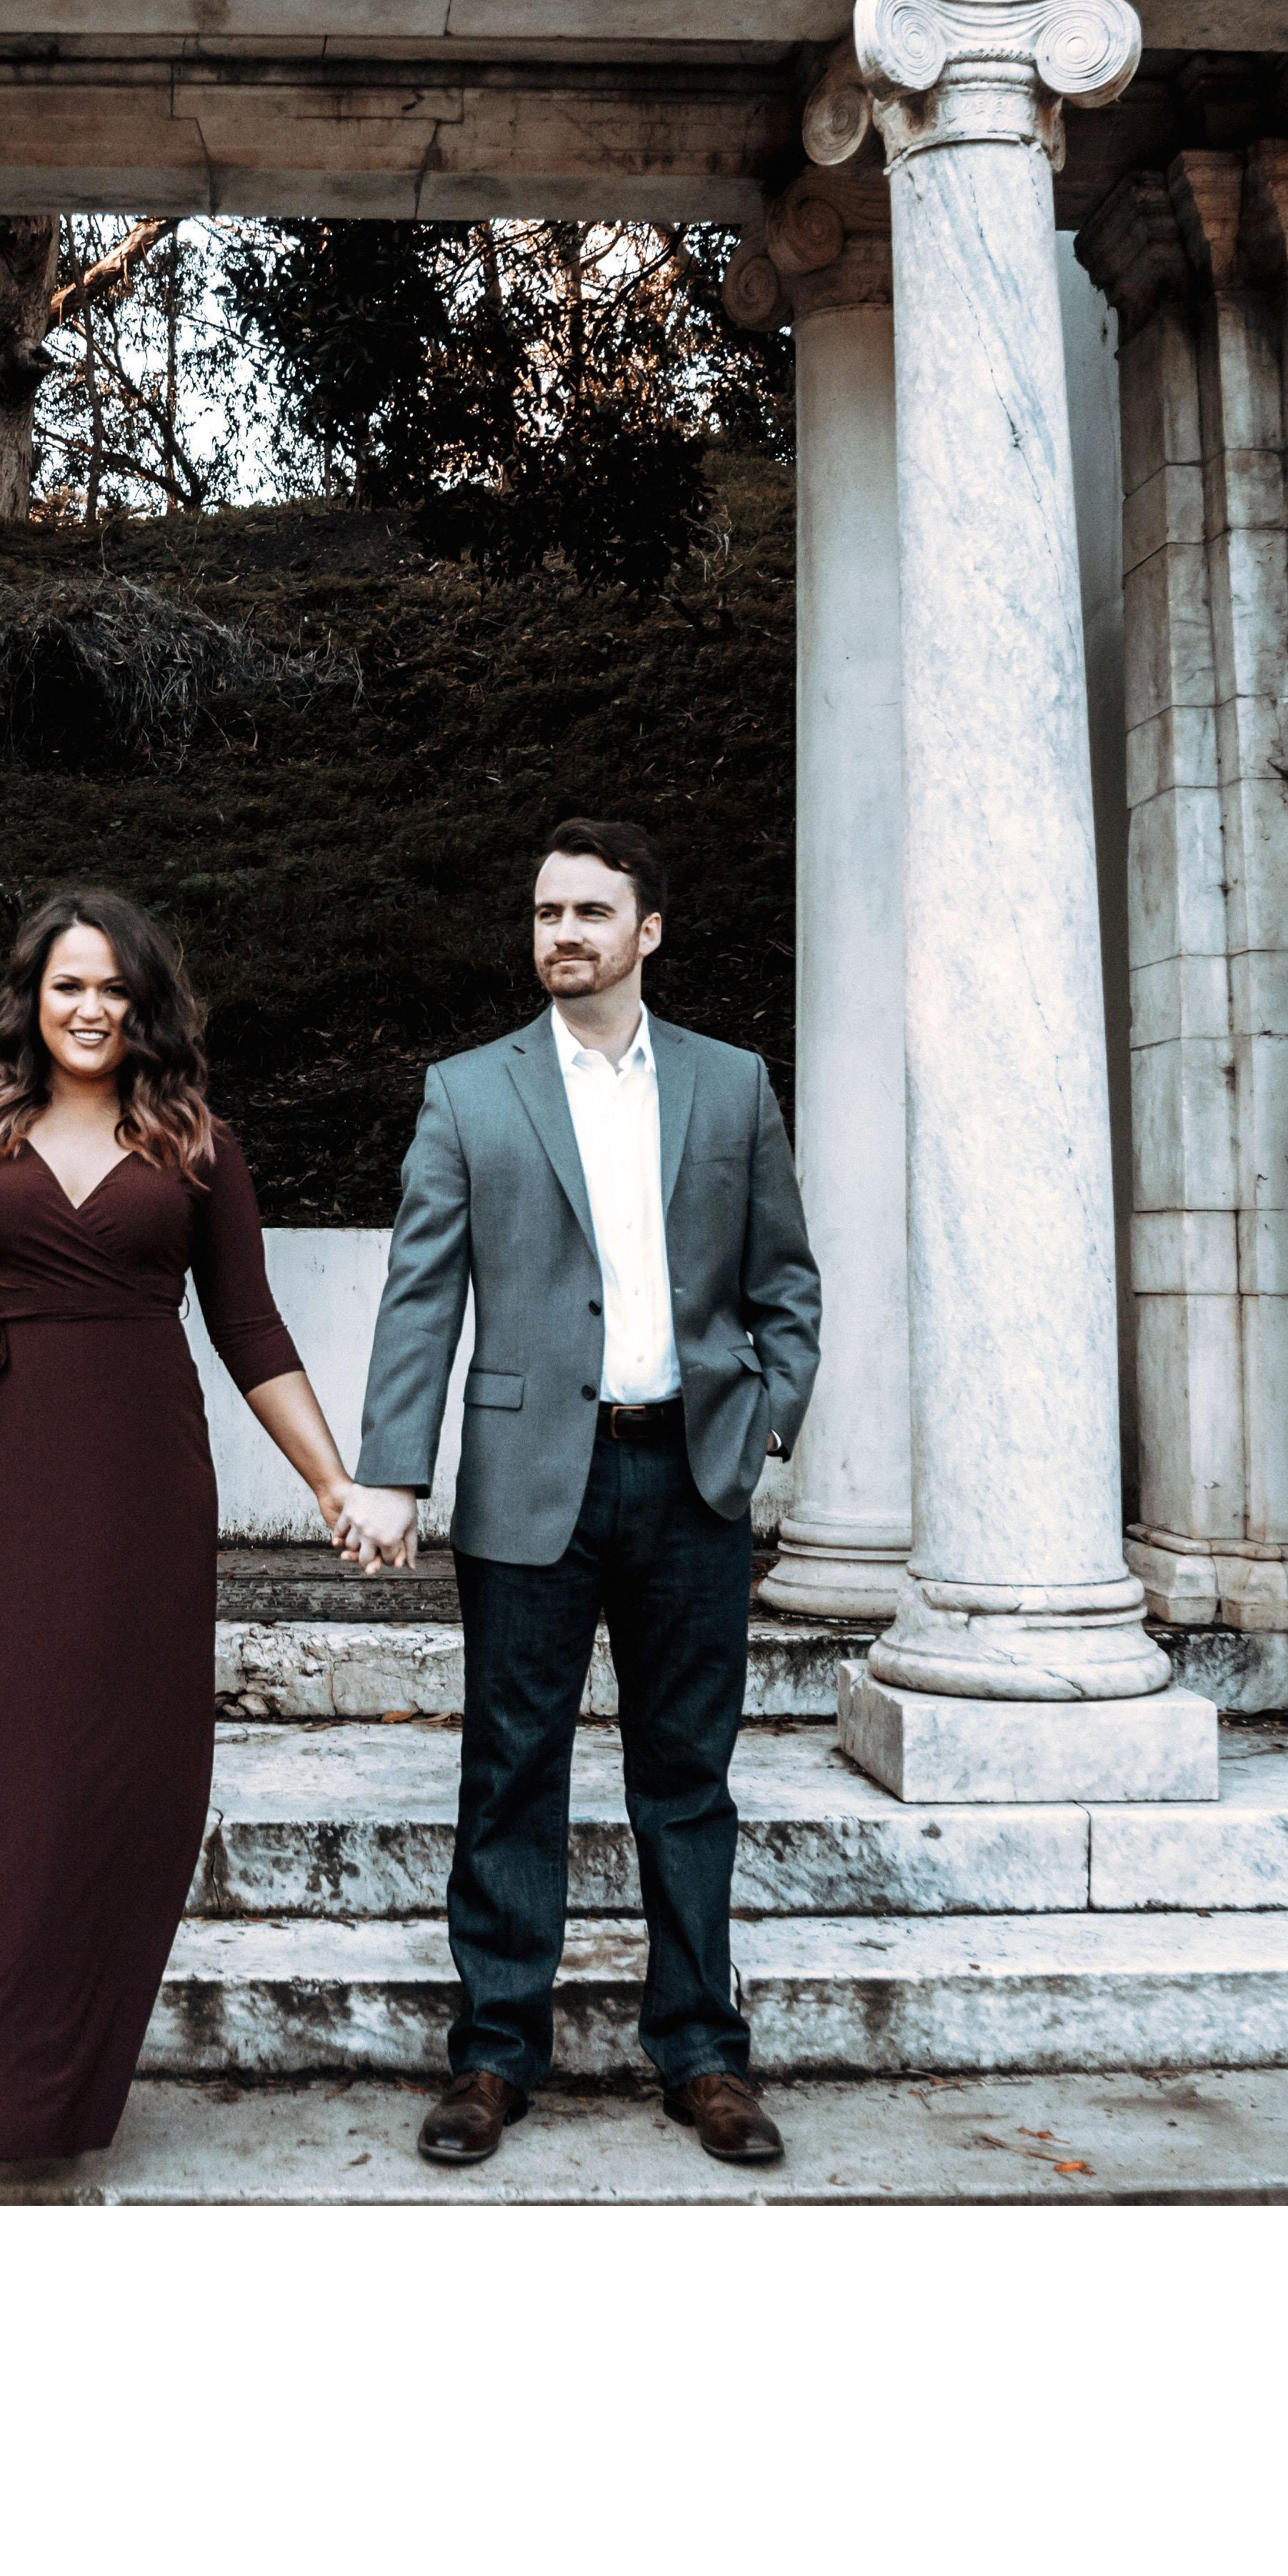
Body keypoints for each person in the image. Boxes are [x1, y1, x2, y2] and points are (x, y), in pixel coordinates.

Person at [339, 821, 822, 2170]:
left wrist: (764, 1419)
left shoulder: (731, 1085)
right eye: (548, 912)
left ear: (646, 931)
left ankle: (703, 2054)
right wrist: (392, 1470)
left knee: (688, 1776)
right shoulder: (467, 1093)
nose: (563, 933)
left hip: (692, 1474)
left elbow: (785, 1279)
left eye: (591, 913)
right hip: (528, 1479)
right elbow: (421, 1295)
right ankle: (494, 2054)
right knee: (510, 1769)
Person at [0, 886, 361, 2165]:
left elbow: (250, 1329)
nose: (91, 1009)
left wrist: (330, 1481)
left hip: (143, 1491)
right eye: (69, 986)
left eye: (113, 988)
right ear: (31, 999)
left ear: (147, 1004)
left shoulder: (197, 1143)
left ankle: (66, 2085)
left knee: (116, 1779)